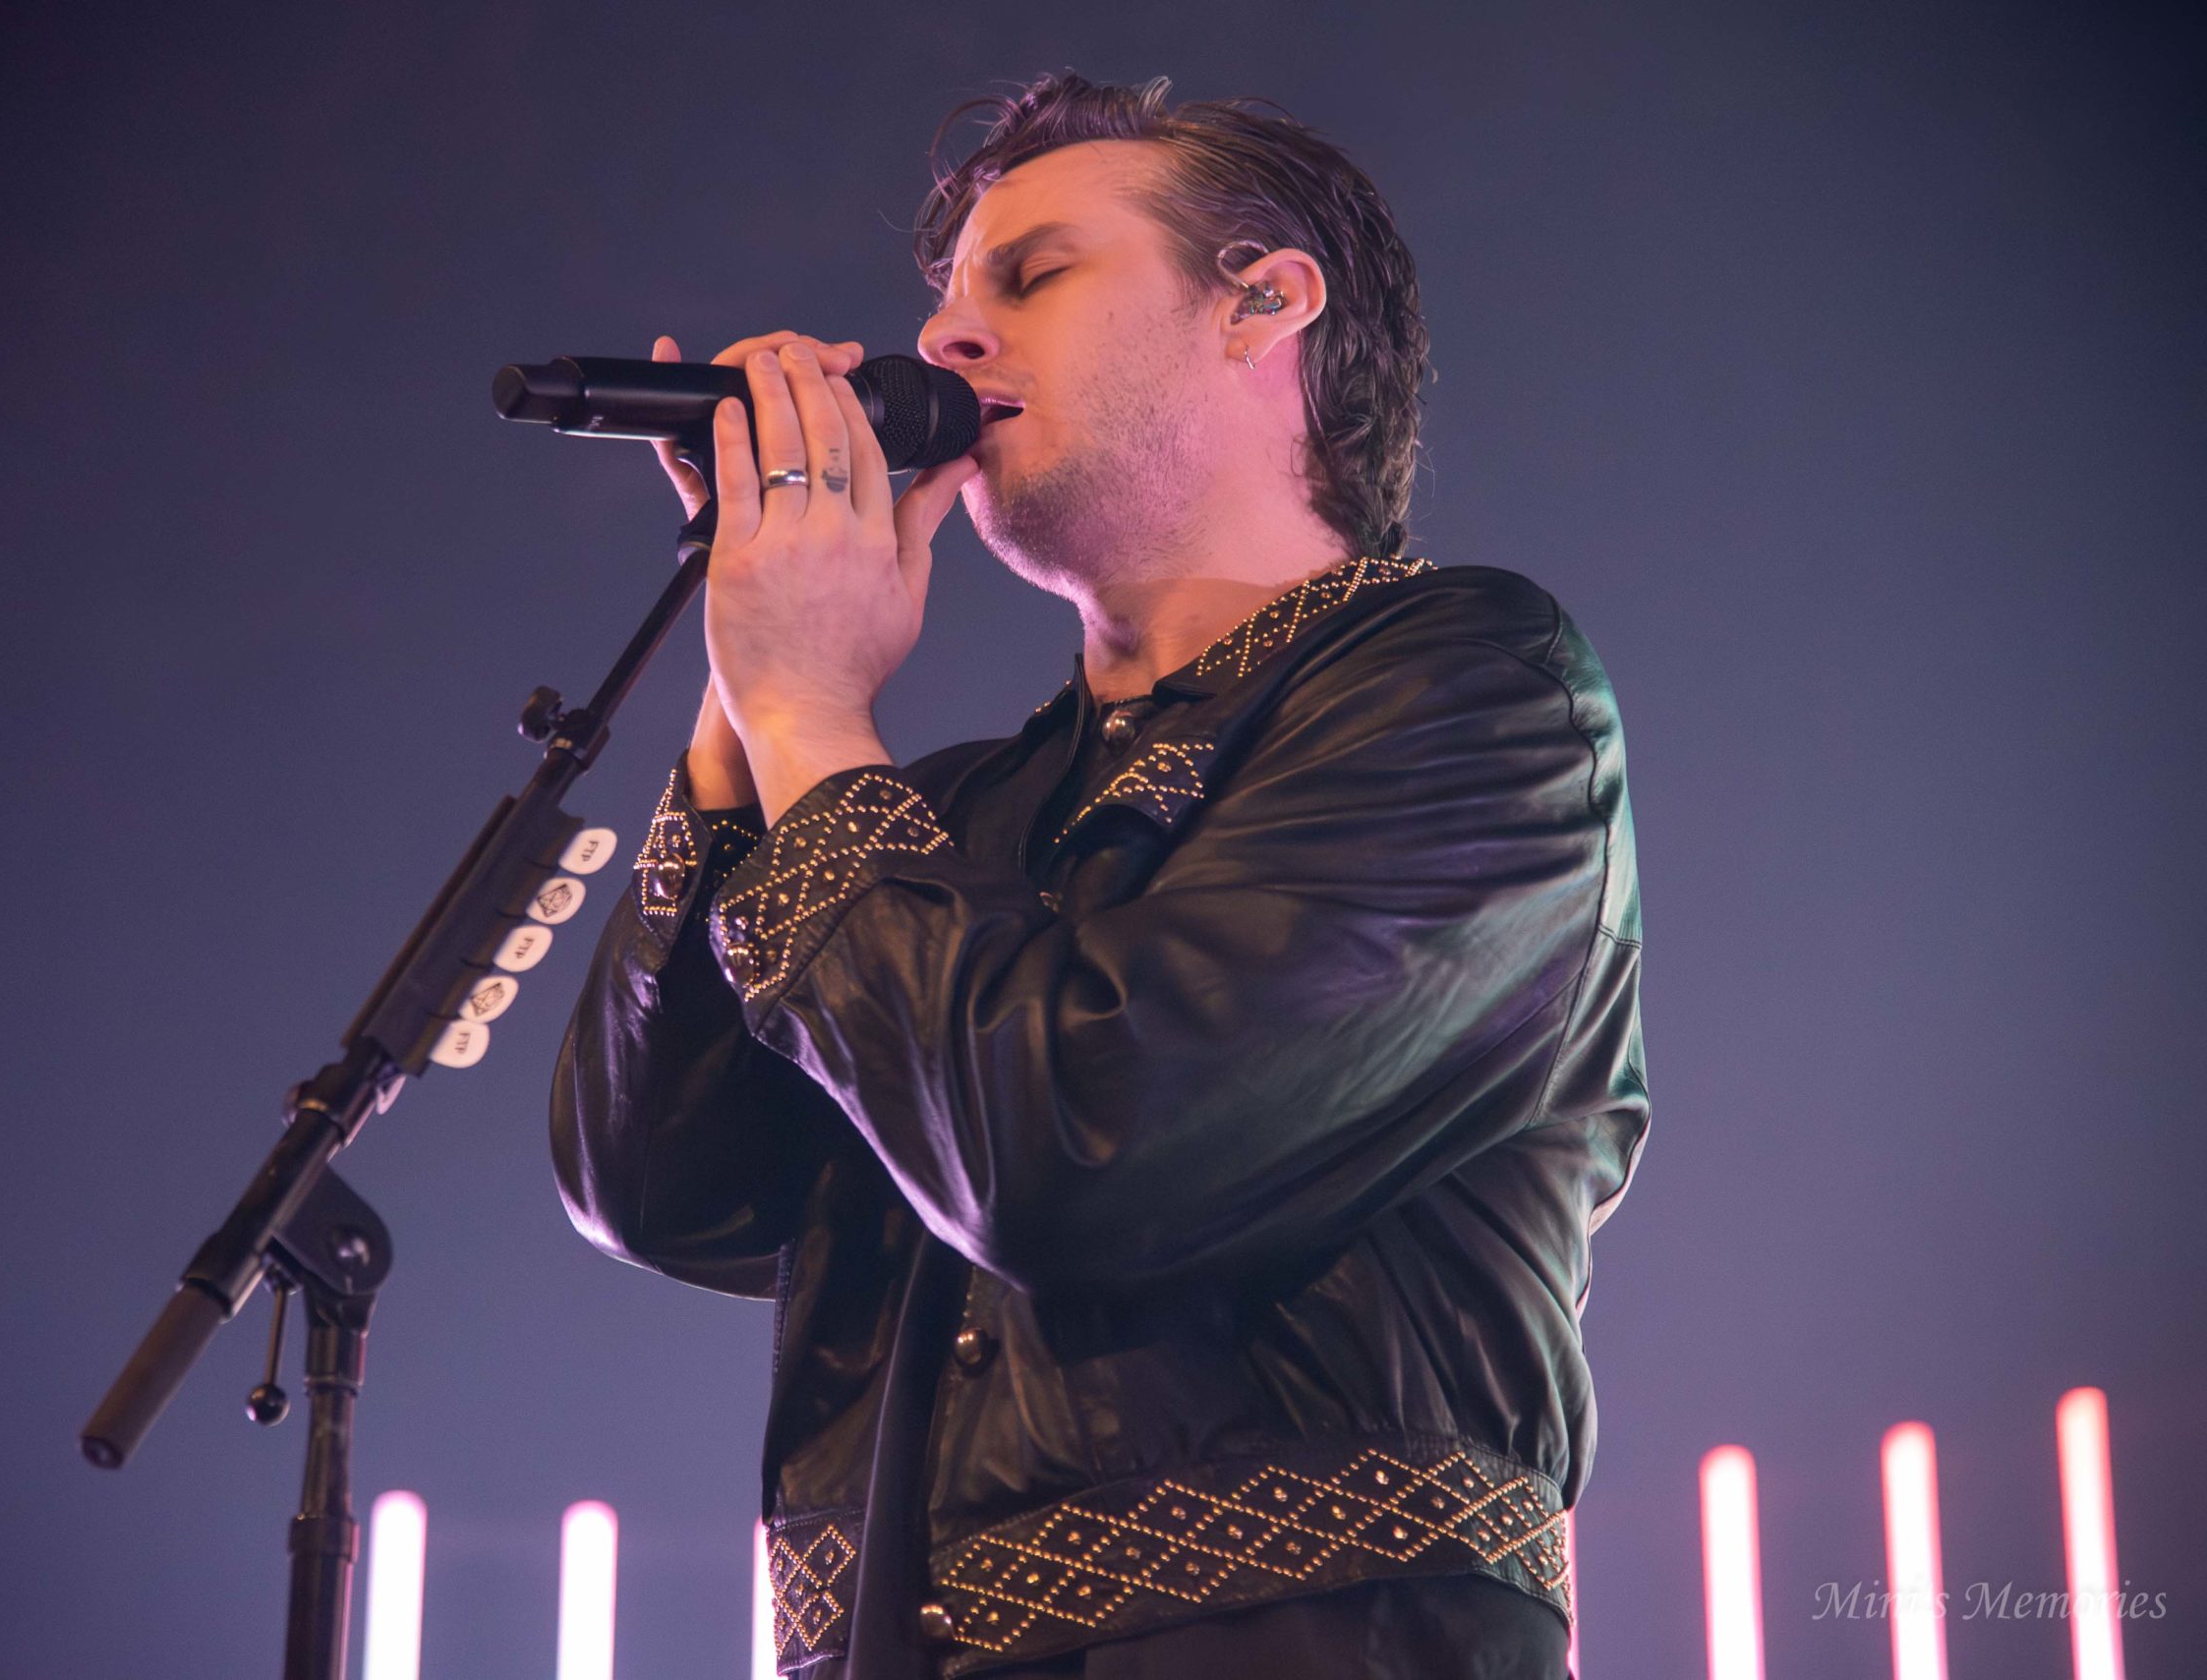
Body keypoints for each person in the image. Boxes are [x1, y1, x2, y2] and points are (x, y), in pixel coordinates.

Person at [551, 72, 1646, 1680]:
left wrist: (810, 715)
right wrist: (745, 710)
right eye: (947, 298)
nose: (946, 339)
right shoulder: (945, 816)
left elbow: (1077, 1142)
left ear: (1262, 302)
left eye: (1032, 275)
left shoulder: (1474, 691)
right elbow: (663, 1186)